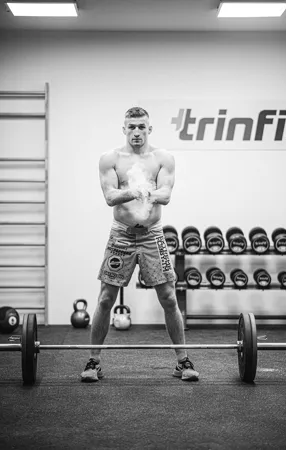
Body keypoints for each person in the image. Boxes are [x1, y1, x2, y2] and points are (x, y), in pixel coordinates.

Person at [81, 107, 199, 382]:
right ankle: (93, 362)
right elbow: (110, 197)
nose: (136, 132)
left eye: (141, 127)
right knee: (105, 298)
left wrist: (147, 193)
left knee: (169, 298)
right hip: (121, 235)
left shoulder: (162, 158)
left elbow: (165, 194)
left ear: (149, 129)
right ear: (124, 129)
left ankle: (183, 362)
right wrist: (134, 191)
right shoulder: (110, 159)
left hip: (152, 235)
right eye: (131, 127)